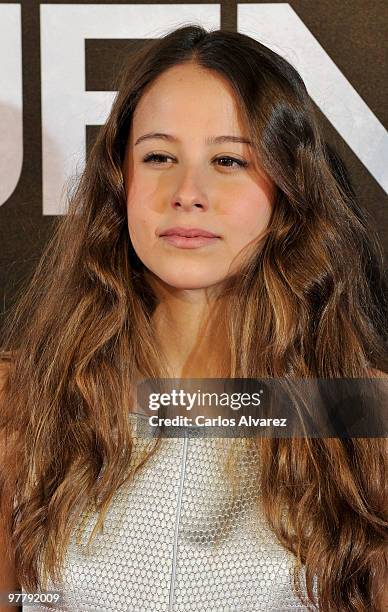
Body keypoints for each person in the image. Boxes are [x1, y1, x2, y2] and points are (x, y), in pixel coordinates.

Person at [0, 24, 387, 612]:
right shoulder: (26, 406)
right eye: (159, 156)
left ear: (285, 189)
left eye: (229, 159)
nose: (187, 191)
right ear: (118, 183)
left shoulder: (362, 417)